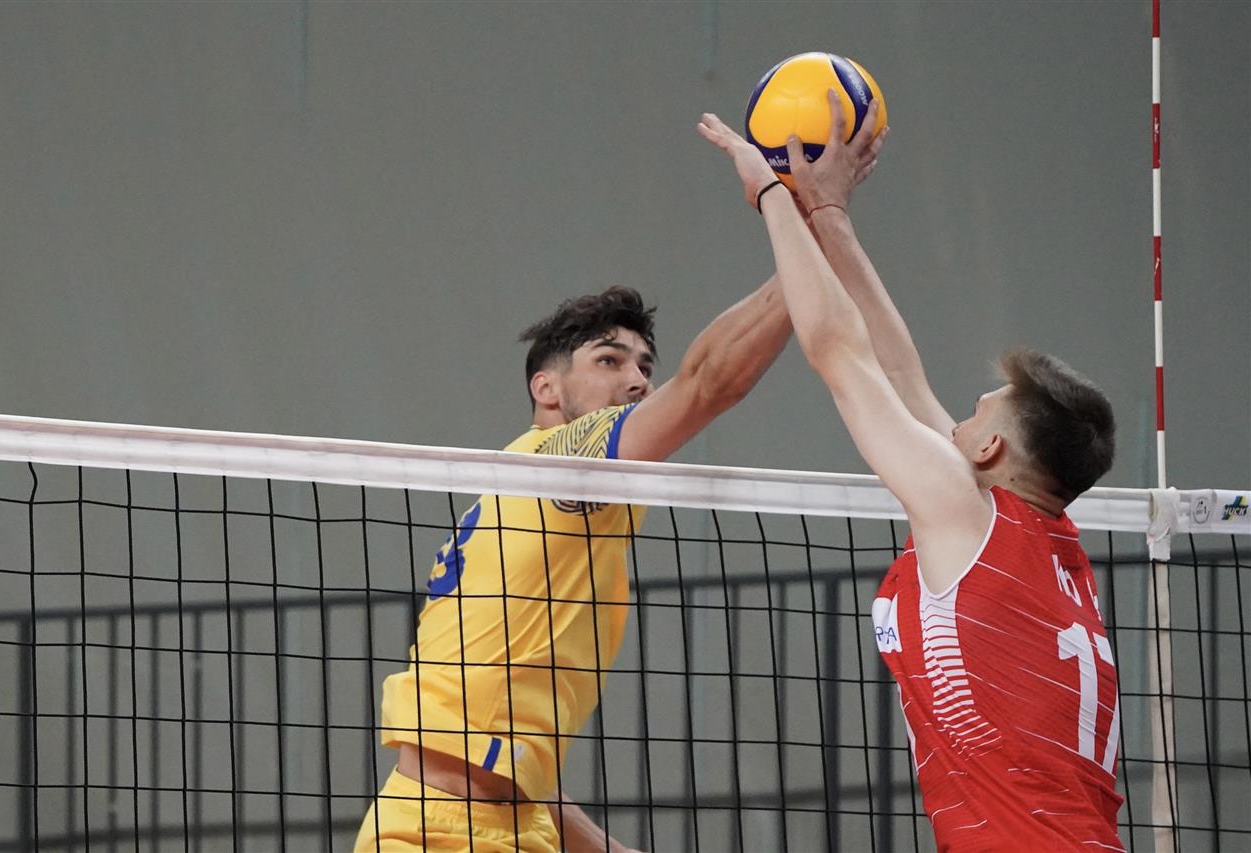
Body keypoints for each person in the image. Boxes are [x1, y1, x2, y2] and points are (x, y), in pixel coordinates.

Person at [698, 92, 1123, 850]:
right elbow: (900, 373)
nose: (952, 424)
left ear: (989, 452)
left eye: (974, 416)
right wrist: (830, 217)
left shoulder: (968, 515)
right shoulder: (1052, 550)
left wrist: (771, 196)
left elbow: (839, 351)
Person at [354, 283, 793, 852]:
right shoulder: (563, 460)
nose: (637, 381)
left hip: (521, 827)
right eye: (609, 360)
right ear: (547, 388)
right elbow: (709, 383)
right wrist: (808, 250)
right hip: (434, 832)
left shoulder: (536, 496)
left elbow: (510, 768)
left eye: (645, 367)